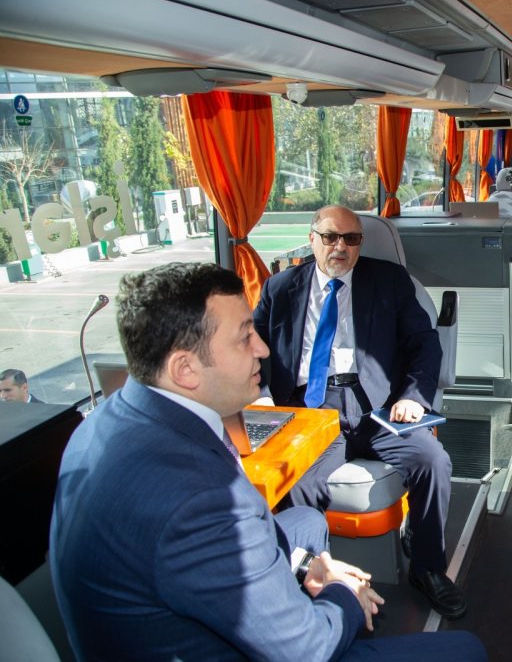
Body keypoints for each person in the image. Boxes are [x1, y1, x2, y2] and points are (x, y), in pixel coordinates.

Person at [49, 262, 484, 661]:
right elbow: (305, 651)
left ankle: (417, 570)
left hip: (159, 610)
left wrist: (305, 565)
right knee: (466, 651)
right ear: (185, 369)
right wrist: (343, 592)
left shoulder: (103, 421)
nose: (262, 347)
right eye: (245, 337)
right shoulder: (201, 499)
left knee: (308, 522)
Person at [253, 205, 464, 619]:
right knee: (295, 484)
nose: (340, 247)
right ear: (311, 238)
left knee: (432, 461)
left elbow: (424, 343)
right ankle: (312, 577)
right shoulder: (280, 288)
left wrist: (413, 396)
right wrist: (261, 398)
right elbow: (254, 350)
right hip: (312, 411)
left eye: (351, 239)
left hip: (378, 407)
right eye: (330, 237)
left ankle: (427, 568)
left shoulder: (390, 281)